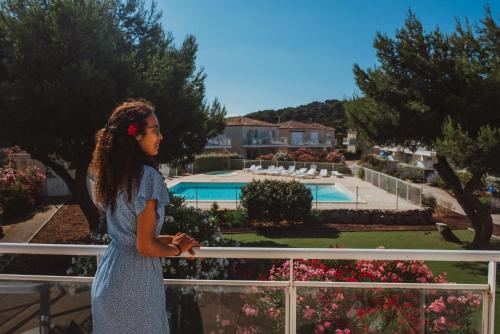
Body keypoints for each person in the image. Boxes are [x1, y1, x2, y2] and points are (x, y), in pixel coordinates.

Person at [90, 99, 200, 333]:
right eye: (155, 130)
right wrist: (178, 250)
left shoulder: (116, 175)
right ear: (136, 135)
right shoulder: (147, 177)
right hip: (134, 282)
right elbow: (144, 246)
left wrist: (173, 240)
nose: (161, 137)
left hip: (111, 273)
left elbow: (134, 236)